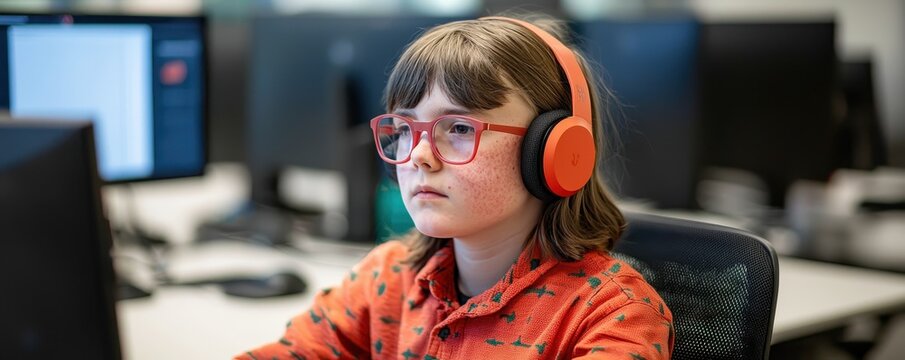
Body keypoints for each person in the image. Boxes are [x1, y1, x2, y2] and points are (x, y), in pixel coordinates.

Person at [237, 14, 673, 360]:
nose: (418, 155)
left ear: (554, 151)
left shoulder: (611, 315)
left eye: (460, 127)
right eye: (405, 128)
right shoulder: (388, 279)